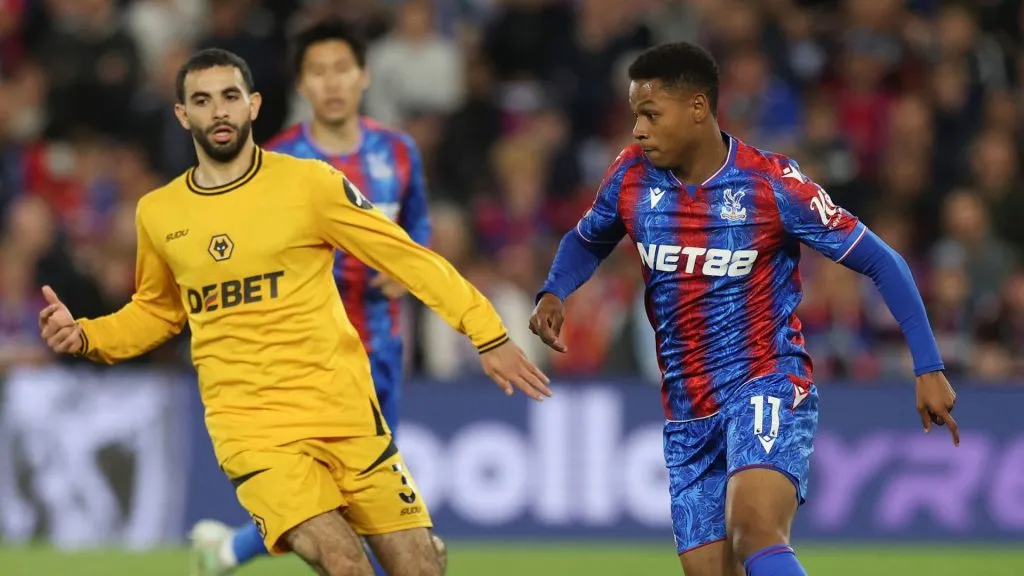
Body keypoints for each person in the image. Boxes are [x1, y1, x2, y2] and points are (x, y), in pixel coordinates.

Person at [38, 47, 551, 576]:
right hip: (253, 429)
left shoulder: (310, 185)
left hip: (345, 415)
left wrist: (487, 334)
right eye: (202, 100)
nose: (218, 112)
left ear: (254, 105)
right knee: (343, 563)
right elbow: (159, 312)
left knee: (422, 568)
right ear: (182, 114)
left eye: (230, 97)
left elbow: (408, 259)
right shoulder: (160, 213)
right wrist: (86, 336)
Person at [529, 42, 958, 576]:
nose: (637, 130)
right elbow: (587, 239)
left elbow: (883, 261)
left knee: (755, 530)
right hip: (687, 412)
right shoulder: (631, 176)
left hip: (765, 382)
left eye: (650, 115)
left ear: (698, 108)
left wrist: (928, 365)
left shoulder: (771, 184)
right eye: (635, 115)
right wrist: (554, 290)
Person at [187, 21, 434, 576]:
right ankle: (229, 551)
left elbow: (418, 225)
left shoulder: (398, 152)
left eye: (342, 69)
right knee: (327, 504)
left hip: (378, 348)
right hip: (298, 360)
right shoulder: (275, 161)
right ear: (301, 84)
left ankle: (225, 551)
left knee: (367, 493)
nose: (332, 83)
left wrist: (407, 266)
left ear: (363, 75)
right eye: (318, 72)